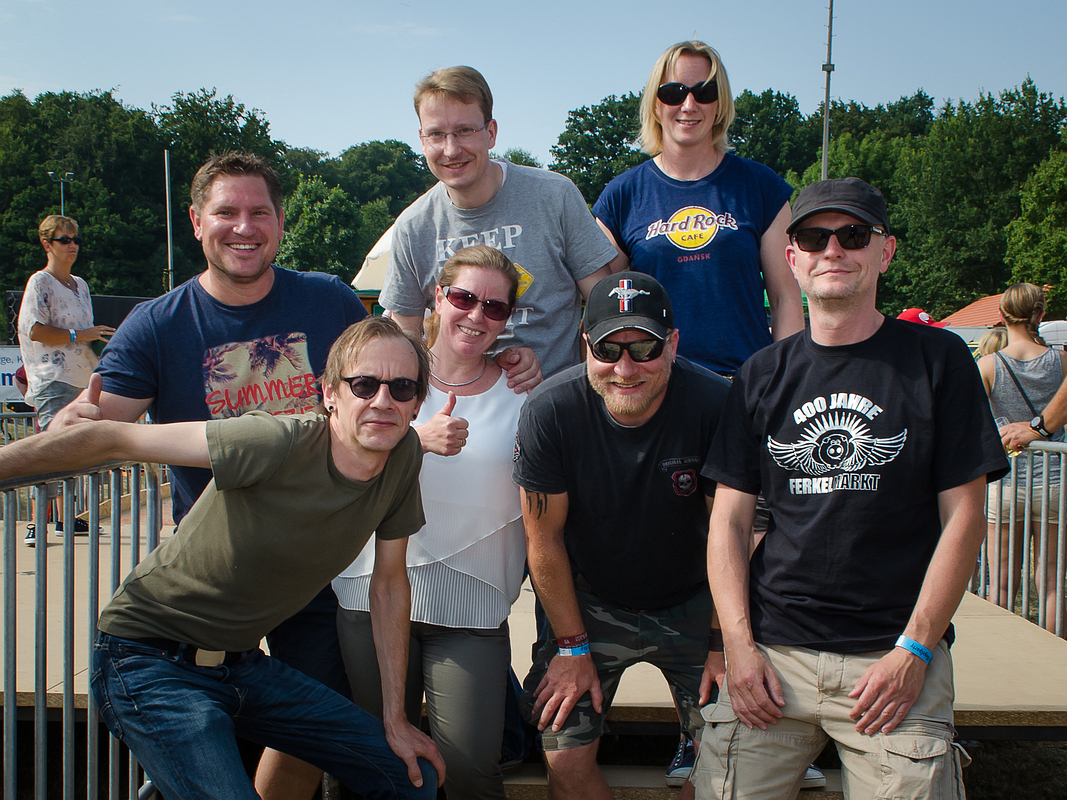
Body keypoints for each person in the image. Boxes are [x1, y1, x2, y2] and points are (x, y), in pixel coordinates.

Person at [0, 317, 445, 799]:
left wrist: (396, 719)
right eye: (364, 385)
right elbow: (114, 439)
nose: (383, 401)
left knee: (410, 778)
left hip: (239, 666)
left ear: (417, 401)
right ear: (330, 392)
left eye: (402, 388)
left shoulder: (403, 456)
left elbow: (389, 585)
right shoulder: (275, 441)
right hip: (148, 660)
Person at [49, 151, 368, 799]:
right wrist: (71, 421)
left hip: (317, 567)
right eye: (226, 212)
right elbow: (102, 422)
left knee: (307, 728)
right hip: (215, 573)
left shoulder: (329, 301)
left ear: (280, 222)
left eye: (259, 212)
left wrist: (504, 358)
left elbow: (392, 377)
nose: (243, 227)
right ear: (197, 222)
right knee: (199, 720)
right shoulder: (158, 323)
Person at [696, 178, 1009, 800]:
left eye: (854, 235)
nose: (833, 250)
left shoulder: (939, 360)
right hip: (773, 656)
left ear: (884, 251)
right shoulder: (761, 373)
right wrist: (736, 644)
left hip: (892, 658)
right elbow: (728, 522)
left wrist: (915, 651)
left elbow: (965, 519)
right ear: (792, 260)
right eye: (815, 238)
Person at [512, 271, 730, 800]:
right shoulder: (550, 411)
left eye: (644, 348)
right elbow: (544, 541)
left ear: (673, 344)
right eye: (608, 349)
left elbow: (735, 536)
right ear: (585, 344)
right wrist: (571, 647)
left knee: (734, 756)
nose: (625, 368)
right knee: (563, 757)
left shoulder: (717, 404)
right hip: (590, 602)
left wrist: (725, 644)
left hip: (698, 602)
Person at [335, 245, 527, 799]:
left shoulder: (524, 391)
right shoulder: (389, 374)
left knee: (469, 771)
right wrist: (414, 440)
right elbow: (334, 447)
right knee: (375, 764)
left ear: (508, 319)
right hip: (369, 592)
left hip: (471, 604)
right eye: (464, 297)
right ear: (438, 298)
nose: (477, 315)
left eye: (495, 307)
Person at [381, 65, 620, 384]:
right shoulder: (412, 227)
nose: (451, 149)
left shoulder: (554, 196)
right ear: (422, 140)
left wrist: (587, 381)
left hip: (555, 400)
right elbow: (404, 344)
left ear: (491, 133)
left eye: (465, 130)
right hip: (456, 406)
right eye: (437, 134)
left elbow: (607, 307)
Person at [593, 40, 803, 379]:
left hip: (744, 386)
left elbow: (785, 300)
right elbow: (600, 304)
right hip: (655, 387)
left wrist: (787, 381)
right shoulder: (621, 196)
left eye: (704, 92)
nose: (689, 105)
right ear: (655, 104)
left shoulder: (762, 186)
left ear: (720, 105)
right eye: (673, 93)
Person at [17, 214, 114, 544]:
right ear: (47, 244)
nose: (72, 245)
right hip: (52, 377)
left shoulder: (81, 285)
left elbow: (83, 333)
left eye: (76, 239)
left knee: (73, 451)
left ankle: (65, 519)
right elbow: (36, 330)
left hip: (81, 379)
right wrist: (81, 334)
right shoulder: (40, 282)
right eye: (65, 239)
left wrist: (95, 340)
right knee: (50, 449)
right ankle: (36, 523)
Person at [977, 284, 1066, 629]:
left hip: (1007, 480)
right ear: (1040, 315)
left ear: (1001, 315)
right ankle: (1054, 651)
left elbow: (969, 421)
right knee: (1051, 582)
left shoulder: (988, 364)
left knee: (1000, 581)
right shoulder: (1061, 362)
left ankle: (1001, 649)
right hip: (1055, 478)